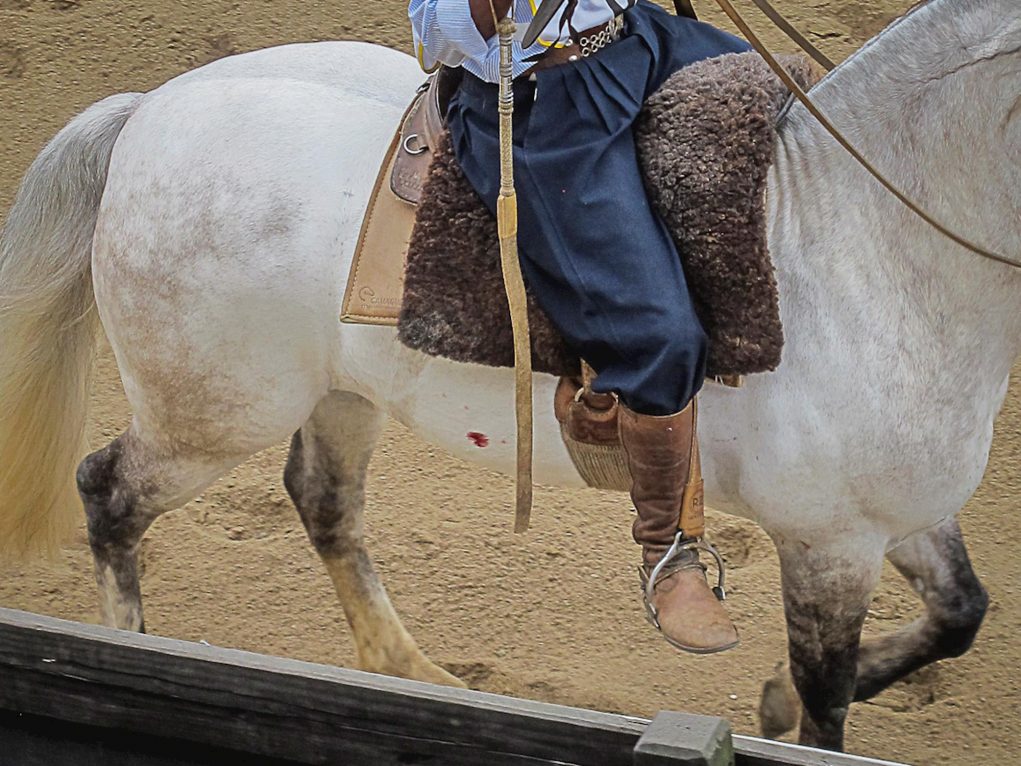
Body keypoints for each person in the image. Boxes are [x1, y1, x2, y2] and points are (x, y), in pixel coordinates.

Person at [408, 0, 750, 654]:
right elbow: (433, 31)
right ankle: (666, 551)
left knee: (797, 109)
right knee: (659, 337)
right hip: (537, 106)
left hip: (634, 40)